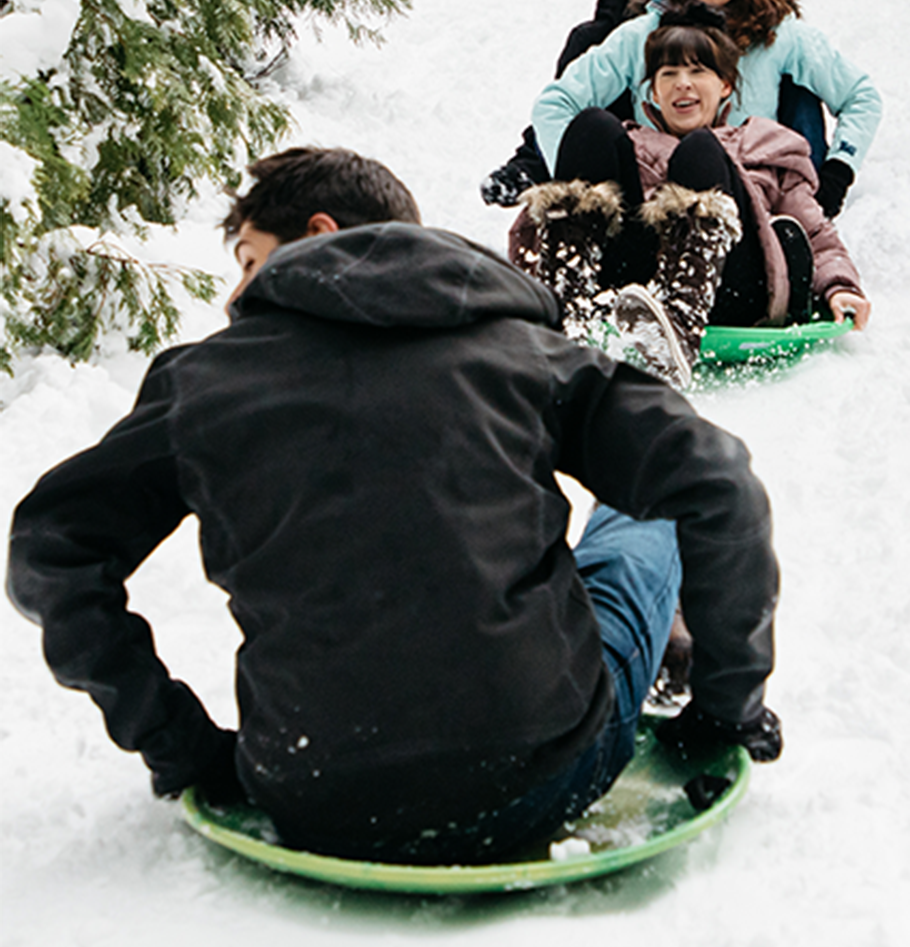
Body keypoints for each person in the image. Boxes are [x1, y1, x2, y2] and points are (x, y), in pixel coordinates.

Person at [6, 145, 781, 866]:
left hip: (312, 794)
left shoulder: (203, 382)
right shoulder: (521, 352)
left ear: (319, 232)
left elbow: (51, 548)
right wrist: (728, 710)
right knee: (642, 508)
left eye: (248, 260)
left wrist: (178, 745)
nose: (237, 293)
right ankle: (658, 637)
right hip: (544, 775)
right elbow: (719, 483)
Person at [512, 5, 870, 388]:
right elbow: (530, 232)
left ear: (726, 85)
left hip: (734, 288)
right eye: (669, 74)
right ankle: (569, 309)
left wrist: (840, 287)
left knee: (700, 148)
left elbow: (816, 232)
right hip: (640, 291)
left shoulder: (762, 144)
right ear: (653, 91)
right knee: (591, 125)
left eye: (697, 71)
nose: (682, 83)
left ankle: (681, 319)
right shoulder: (631, 147)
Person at [531, 0, 883, 219]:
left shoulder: (778, 34)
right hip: (654, 209)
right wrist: (577, 186)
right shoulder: (641, 35)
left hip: (747, 208)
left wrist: (839, 170)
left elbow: (861, 96)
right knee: (597, 125)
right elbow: (554, 104)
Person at [480, 0, 682, 206]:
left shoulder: (705, 33)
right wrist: (525, 168)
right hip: (613, 191)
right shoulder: (591, 39)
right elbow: (561, 117)